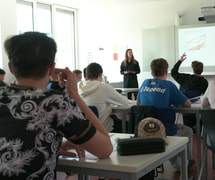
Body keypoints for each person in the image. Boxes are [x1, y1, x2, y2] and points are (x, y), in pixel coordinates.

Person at [0, 31, 113, 179]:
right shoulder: (56, 103)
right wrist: (74, 94)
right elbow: (105, 149)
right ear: (52, 68)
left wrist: (56, 147)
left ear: (11, 67)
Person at [136, 58, 194, 170]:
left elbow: (138, 104)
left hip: (145, 129)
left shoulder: (144, 83)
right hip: (164, 130)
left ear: (152, 71)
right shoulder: (168, 85)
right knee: (188, 130)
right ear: (166, 71)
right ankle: (185, 163)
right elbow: (187, 104)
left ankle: (177, 163)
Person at [78, 62, 129, 133]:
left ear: (86, 75)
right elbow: (124, 102)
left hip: (85, 130)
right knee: (128, 125)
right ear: (100, 75)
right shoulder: (104, 88)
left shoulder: (78, 88)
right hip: (103, 128)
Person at [171, 53, 208, 131]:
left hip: (183, 105)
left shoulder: (185, 78)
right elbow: (204, 95)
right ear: (202, 70)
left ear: (193, 69)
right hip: (196, 108)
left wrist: (180, 61)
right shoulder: (204, 82)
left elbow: (173, 72)